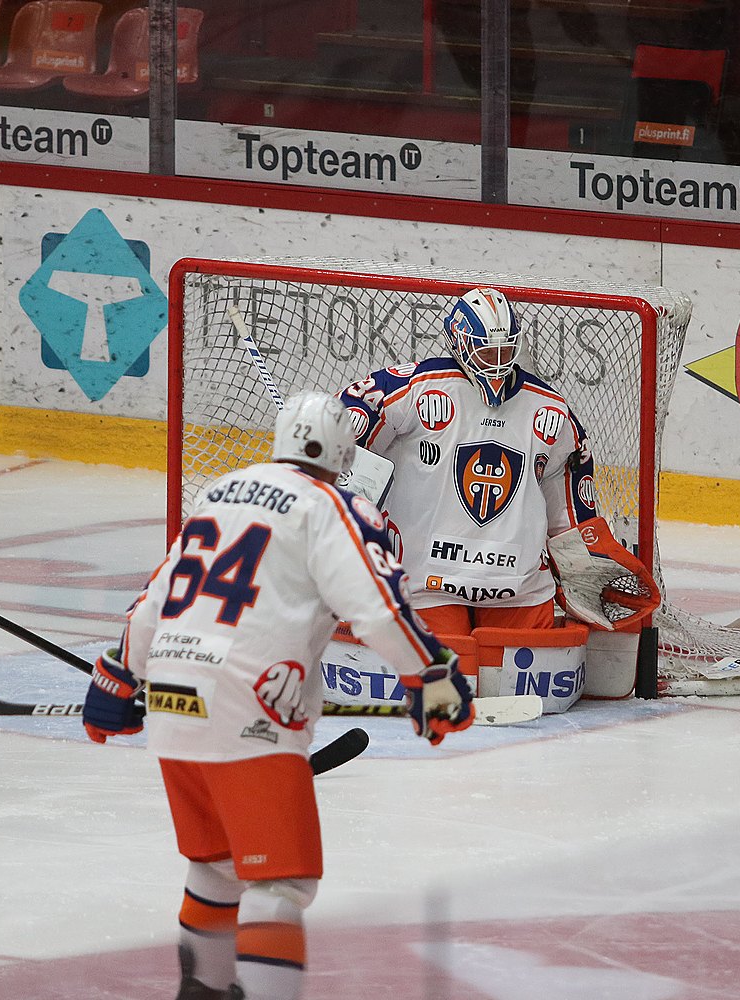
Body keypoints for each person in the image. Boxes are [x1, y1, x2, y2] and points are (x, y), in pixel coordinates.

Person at [81, 391, 475, 1000]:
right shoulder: (334, 506)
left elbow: (157, 595)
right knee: (279, 884)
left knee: (215, 867)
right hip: (251, 705)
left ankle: (204, 993)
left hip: (172, 695)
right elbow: (375, 606)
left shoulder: (219, 492)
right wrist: (430, 673)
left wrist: (118, 672)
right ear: (344, 449)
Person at [335, 287, 658, 702]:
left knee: (527, 695)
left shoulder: (549, 410)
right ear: (459, 341)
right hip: (424, 578)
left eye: (506, 350)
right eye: (487, 352)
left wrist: (581, 555)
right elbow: (349, 424)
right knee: (441, 692)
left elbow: (567, 499)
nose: (498, 363)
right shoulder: (413, 388)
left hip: (518, 582)